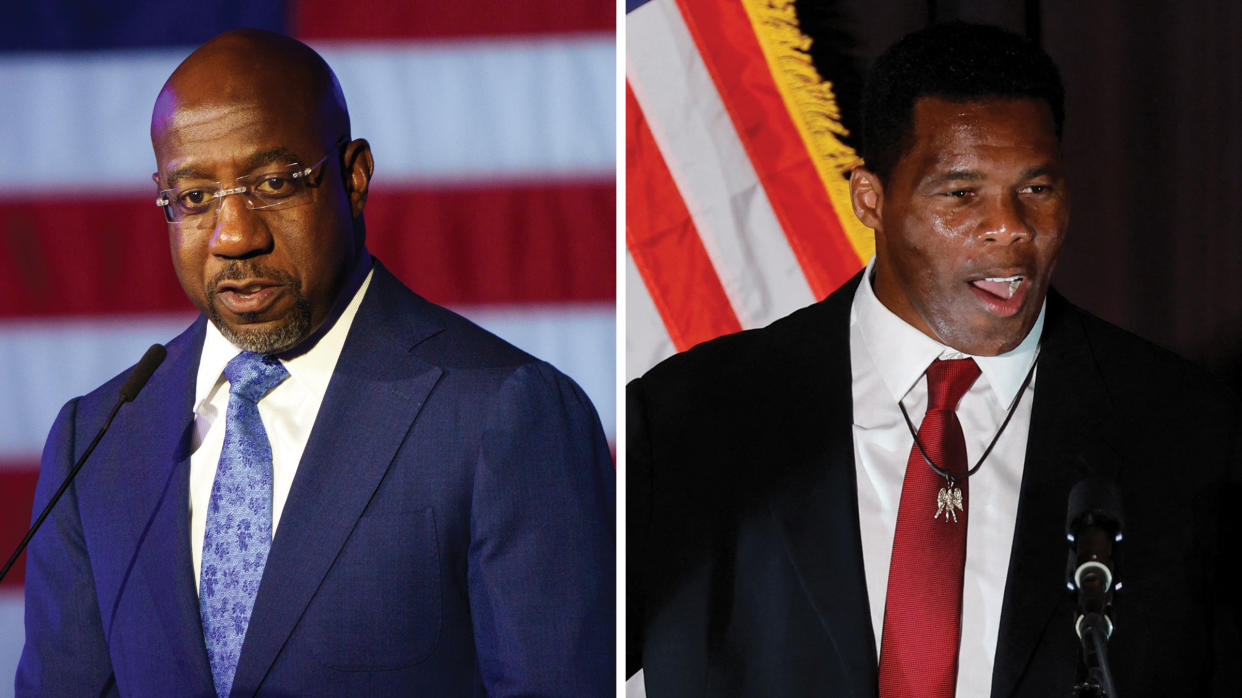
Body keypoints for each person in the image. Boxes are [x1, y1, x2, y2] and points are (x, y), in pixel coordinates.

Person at [627, 21, 1240, 696]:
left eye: (1036, 189)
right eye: (962, 192)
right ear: (871, 199)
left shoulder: (1185, 430)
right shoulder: (690, 418)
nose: (1009, 226)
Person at [18, 29, 614, 697]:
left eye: (274, 182)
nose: (235, 235)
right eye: (194, 198)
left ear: (354, 178)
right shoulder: (96, 438)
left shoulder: (505, 411)